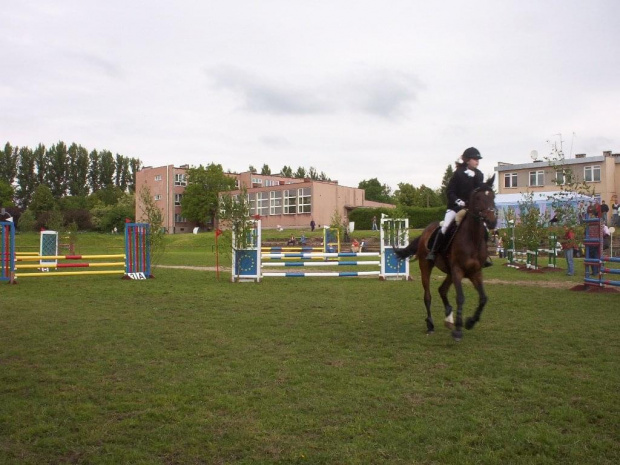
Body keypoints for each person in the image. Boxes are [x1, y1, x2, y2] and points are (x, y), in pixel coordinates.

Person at [427, 147, 488, 265]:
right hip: (455, 207)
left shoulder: (479, 175)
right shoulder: (458, 174)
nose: (477, 161)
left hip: (471, 209)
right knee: (445, 227)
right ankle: (433, 252)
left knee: (483, 228)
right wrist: (457, 200)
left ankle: (483, 256)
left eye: (478, 159)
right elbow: (449, 191)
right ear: (467, 160)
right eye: (475, 159)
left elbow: (479, 192)